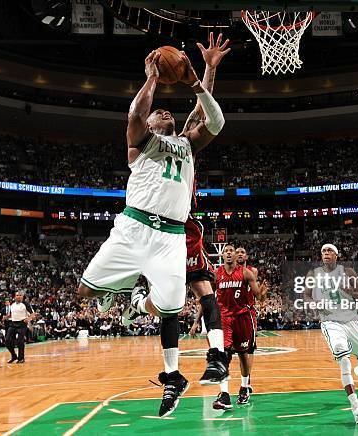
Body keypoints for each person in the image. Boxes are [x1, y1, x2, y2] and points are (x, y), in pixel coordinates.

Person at [77, 39, 225, 417]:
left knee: (168, 308)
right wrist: (153, 79)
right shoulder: (141, 143)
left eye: (165, 112)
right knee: (84, 290)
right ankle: (126, 286)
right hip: (133, 228)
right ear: (151, 123)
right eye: (157, 112)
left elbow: (213, 118)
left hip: (171, 237)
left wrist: (199, 76)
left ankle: (143, 312)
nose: (162, 112)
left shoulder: (187, 144)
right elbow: (134, 115)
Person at [304, 243, 358, 424]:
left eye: (330, 251)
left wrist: (352, 292)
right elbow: (306, 295)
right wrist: (313, 304)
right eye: (323, 251)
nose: (326, 253)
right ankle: (356, 407)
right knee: (343, 357)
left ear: (336, 255)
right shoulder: (313, 274)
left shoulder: (348, 272)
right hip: (330, 322)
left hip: (352, 320)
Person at [212, 244, 268, 410]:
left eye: (232, 251)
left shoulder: (246, 273)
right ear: (222, 255)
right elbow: (207, 296)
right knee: (223, 354)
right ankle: (224, 394)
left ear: (236, 257)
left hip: (243, 317)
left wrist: (263, 294)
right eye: (227, 251)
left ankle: (244, 387)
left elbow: (259, 296)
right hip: (224, 319)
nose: (229, 253)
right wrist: (198, 320)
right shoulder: (216, 274)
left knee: (244, 354)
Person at [5, 291, 35, 364]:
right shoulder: (12, 305)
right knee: (7, 340)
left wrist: (28, 319)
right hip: (13, 323)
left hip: (22, 324)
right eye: (17, 295)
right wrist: (7, 317)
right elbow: (11, 314)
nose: (18, 296)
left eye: (20, 295)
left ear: (22, 296)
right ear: (15, 297)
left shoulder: (25, 304)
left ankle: (21, 358)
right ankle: (13, 356)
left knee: (20, 341)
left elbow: (33, 314)